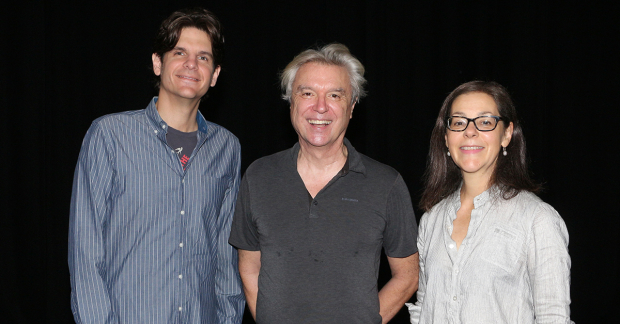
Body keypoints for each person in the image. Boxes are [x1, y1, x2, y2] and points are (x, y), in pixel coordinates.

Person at [68, 8, 244, 323]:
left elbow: (225, 257)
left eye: (203, 57)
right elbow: (86, 251)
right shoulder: (110, 136)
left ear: (215, 74)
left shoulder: (227, 148)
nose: (192, 64)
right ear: (157, 62)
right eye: (180, 53)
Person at [228, 43, 419, 323]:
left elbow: (408, 276)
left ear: (352, 107)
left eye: (334, 95)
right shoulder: (258, 176)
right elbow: (249, 268)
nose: (320, 107)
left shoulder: (386, 183)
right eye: (307, 93)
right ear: (291, 102)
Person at [406, 81, 573, 323]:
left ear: (506, 134)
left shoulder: (537, 219)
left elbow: (553, 318)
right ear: (446, 137)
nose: (469, 132)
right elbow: (424, 311)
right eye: (459, 122)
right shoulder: (432, 220)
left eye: (485, 122)